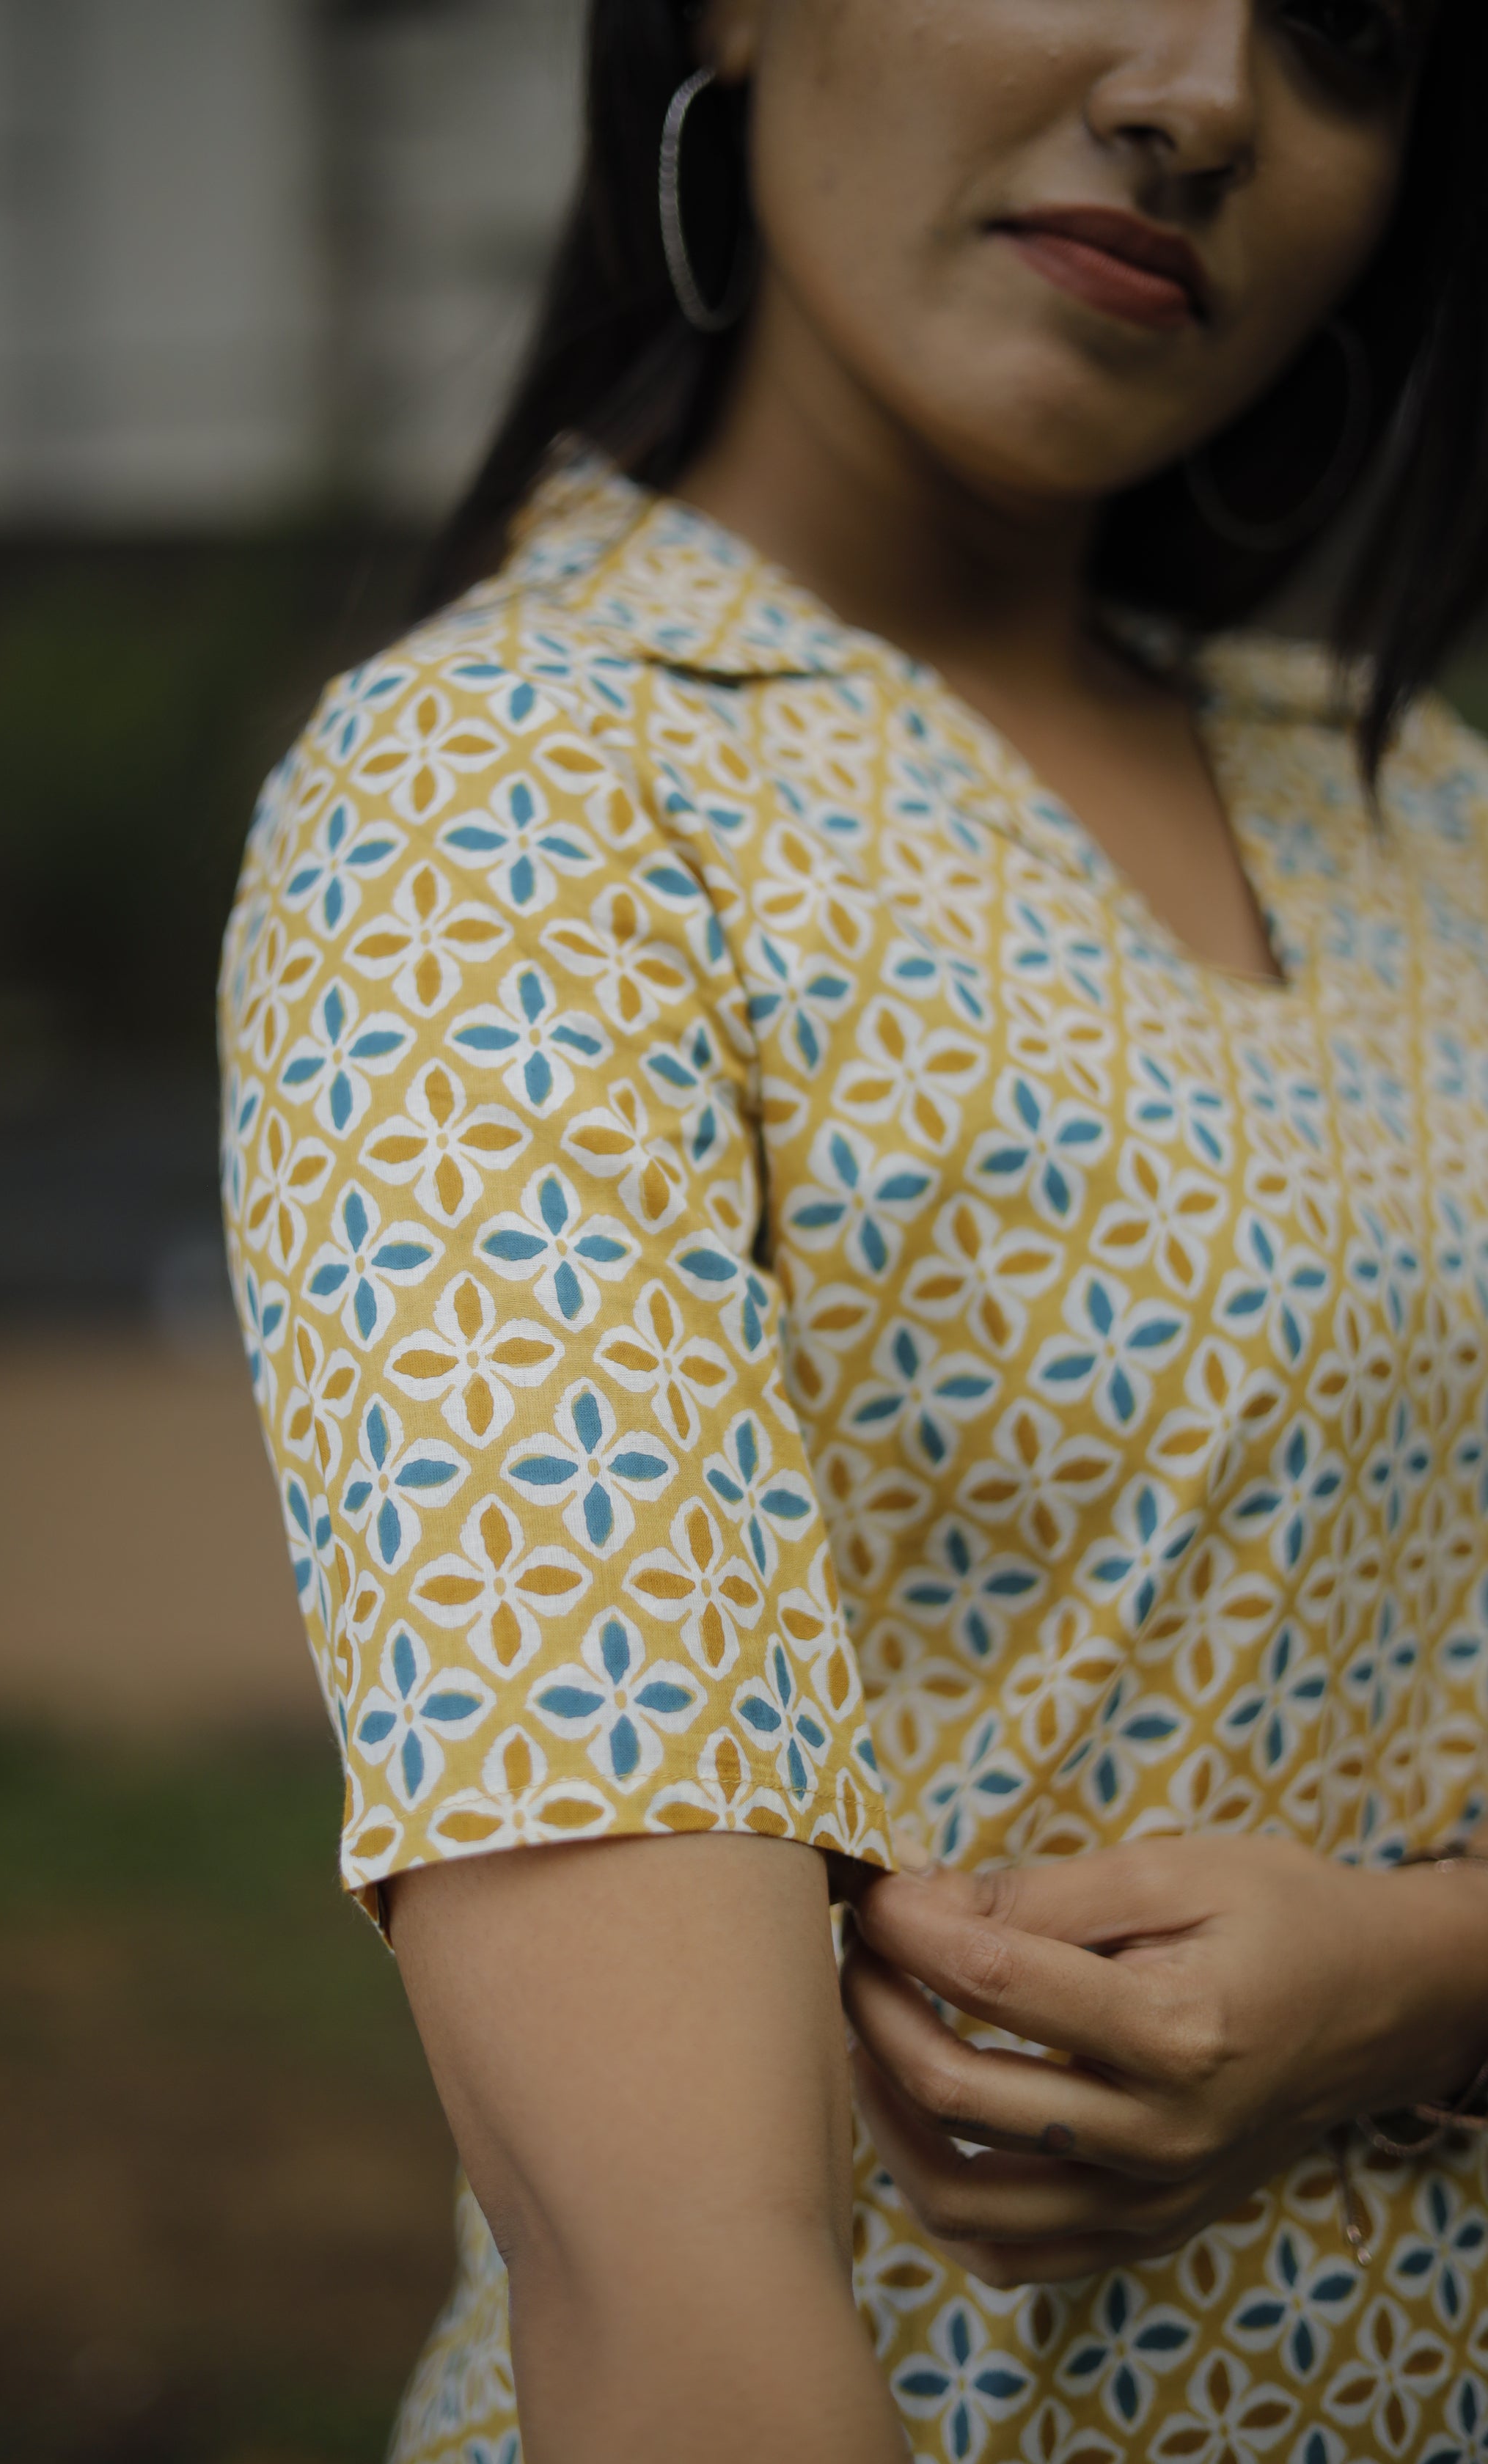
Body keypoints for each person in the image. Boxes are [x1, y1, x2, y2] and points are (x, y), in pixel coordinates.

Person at [218, 2, 1488, 2456]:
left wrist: (1423, 1981)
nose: (1205, 96)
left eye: (1345, 25)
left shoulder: (1425, 812)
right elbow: (672, 2273)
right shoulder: (510, 803)